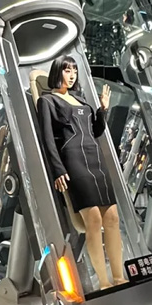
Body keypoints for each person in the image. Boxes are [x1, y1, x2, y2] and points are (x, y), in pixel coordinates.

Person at [37, 56, 123, 290]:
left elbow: (95, 131)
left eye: (74, 70)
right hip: (73, 160)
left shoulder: (80, 99)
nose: (72, 74)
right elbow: (47, 139)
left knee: (112, 218)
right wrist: (58, 169)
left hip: (96, 159)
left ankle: (118, 277)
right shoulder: (47, 101)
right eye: (67, 70)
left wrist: (102, 110)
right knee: (93, 219)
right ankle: (104, 282)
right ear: (58, 72)